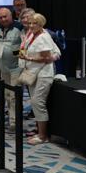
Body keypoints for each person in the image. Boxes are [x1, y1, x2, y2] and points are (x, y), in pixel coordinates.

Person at [19, 13, 59, 145]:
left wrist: (28, 58)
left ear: (41, 24)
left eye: (34, 23)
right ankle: (39, 130)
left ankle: (43, 136)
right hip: (32, 72)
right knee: (35, 102)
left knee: (37, 102)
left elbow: (47, 58)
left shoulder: (43, 37)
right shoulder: (31, 34)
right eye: (30, 23)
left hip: (43, 73)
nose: (31, 25)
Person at [0, 6, 23, 131]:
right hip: (4, 68)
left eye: (5, 16)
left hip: (17, 68)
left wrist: (14, 53)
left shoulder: (19, 27)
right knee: (7, 95)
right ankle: (11, 118)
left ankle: (14, 122)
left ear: (11, 15)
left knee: (14, 96)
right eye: (0, 17)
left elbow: (25, 46)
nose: (3, 19)